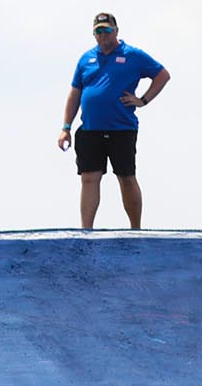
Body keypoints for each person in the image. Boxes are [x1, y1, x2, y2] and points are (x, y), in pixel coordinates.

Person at [57, 12, 171, 230]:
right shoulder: (86, 59)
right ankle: (86, 231)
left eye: (107, 30)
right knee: (89, 178)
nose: (103, 35)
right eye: (98, 31)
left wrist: (143, 100)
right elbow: (75, 94)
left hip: (122, 129)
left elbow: (162, 75)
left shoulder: (133, 55)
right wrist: (66, 127)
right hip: (90, 129)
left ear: (116, 31)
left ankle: (135, 229)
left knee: (126, 178)